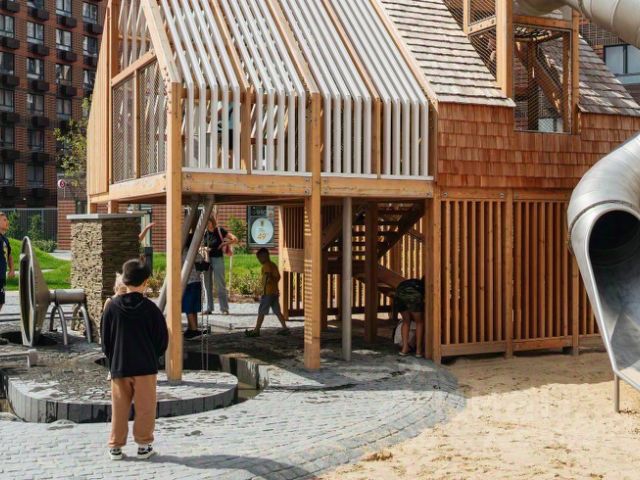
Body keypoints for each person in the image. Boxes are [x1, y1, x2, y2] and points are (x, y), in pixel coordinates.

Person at [101, 258, 168, 461]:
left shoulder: (111, 307)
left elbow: (105, 340)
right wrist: (153, 356)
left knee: (119, 408)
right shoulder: (152, 309)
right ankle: (143, 446)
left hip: (120, 366)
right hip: (145, 366)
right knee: (145, 408)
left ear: (124, 280)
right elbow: (162, 340)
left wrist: (112, 359)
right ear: (146, 282)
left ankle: (115, 446)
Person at [245, 247, 289, 337]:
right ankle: (285, 328)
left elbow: (266, 277)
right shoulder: (273, 265)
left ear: (264, 257)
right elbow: (278, 277)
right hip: (274, 293)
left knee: (261, 311)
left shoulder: (266, 266)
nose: (259, 261)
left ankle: (256, 330)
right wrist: (273, 281)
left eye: (259, 258)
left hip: (267, 293)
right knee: (277, 311)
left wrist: (260, 291)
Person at [202, 217, 237, 314]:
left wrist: (223, 244)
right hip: (206, 259)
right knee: (207, 285)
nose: (207, 224)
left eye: (208, 222)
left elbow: (235, 239)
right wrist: (204, 249)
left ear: (212, 222)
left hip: (218, 259)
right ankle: (209, 308)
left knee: (220, 284)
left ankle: (224, 308)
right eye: (206, 222)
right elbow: (200, 245)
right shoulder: (204, 233)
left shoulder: (219, 230)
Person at [394, 277, 425, 357]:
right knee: (419, 322)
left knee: (406, 321)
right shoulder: (423, 286)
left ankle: (404, 349)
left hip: (399, 293)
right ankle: (418, 351)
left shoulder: (413, 282)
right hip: (414, 294)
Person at [182, 235, 206, 340]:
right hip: (197, 282)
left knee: (188, 307)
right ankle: (192, 327)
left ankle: (194, 330)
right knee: (193, 307)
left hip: (187, 283)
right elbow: (203, 266)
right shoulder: (197, 254)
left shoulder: (183, 253)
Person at [0, 212, 14, 313]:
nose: (7, 222)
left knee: (1, 301)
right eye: (4, 220)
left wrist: (12, 269)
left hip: (1, 277)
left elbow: (9, 255)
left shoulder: (5, 240)